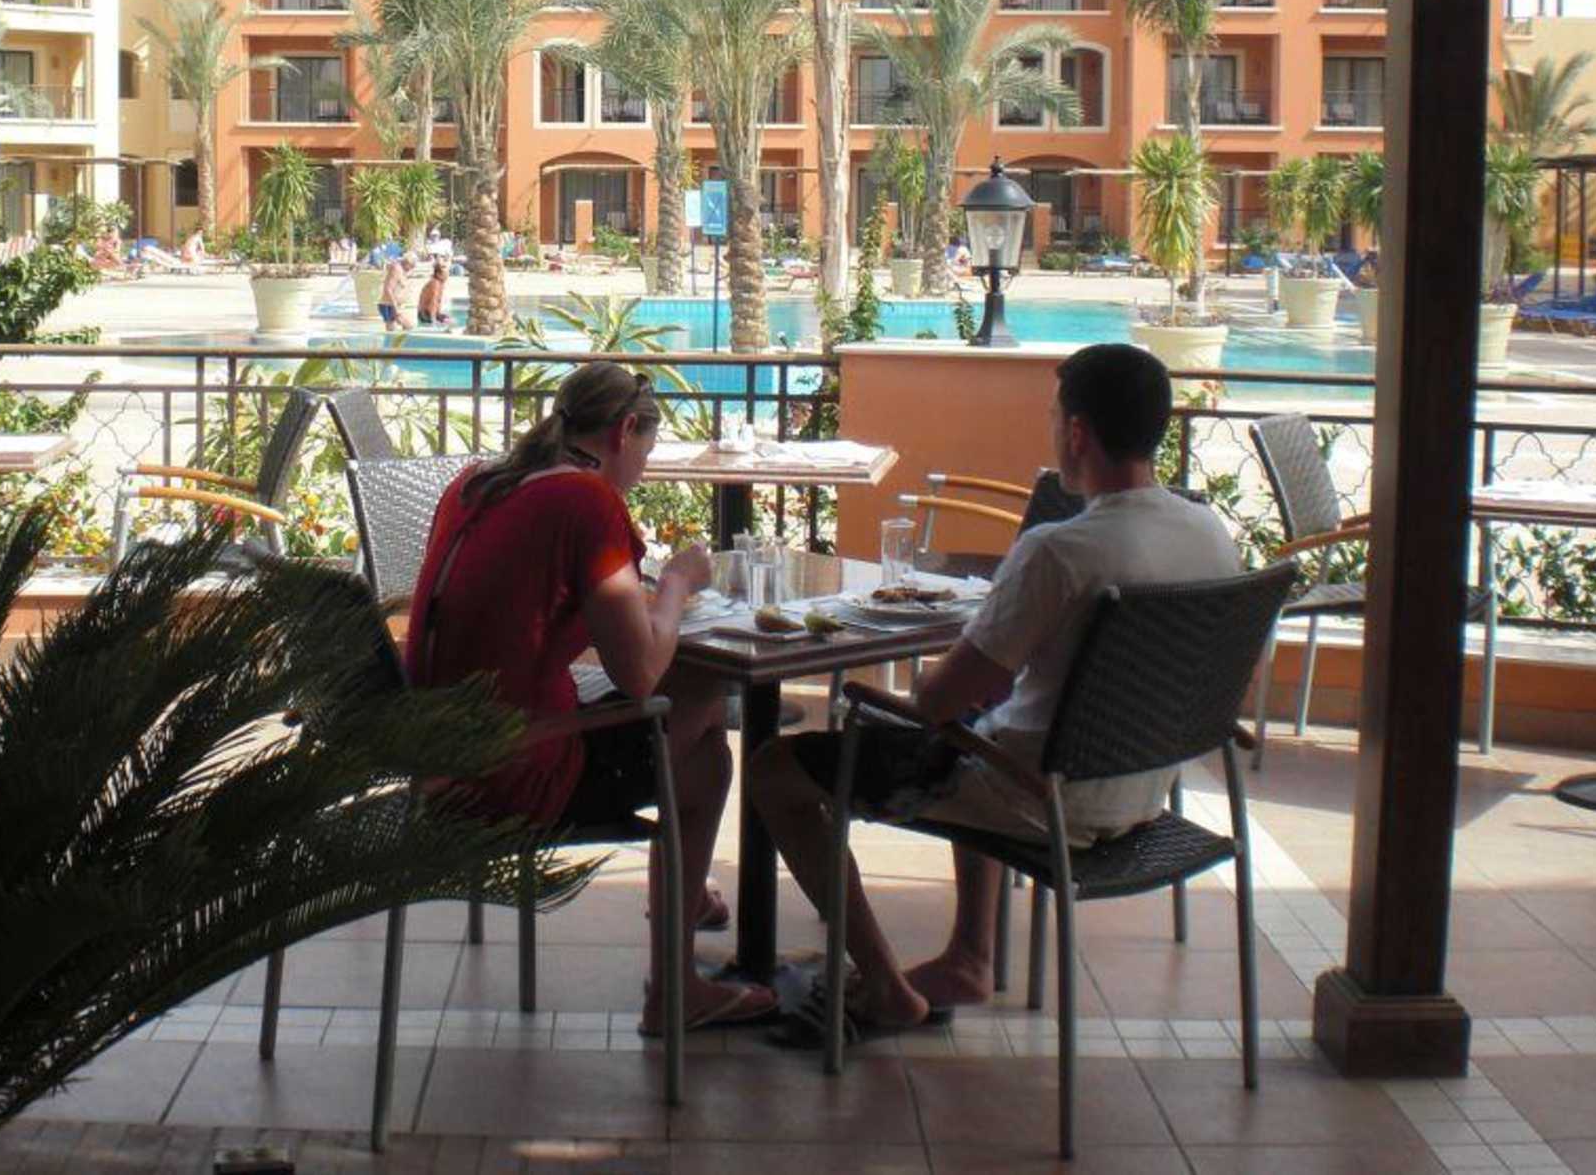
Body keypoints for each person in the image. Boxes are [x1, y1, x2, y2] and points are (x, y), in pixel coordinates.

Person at [748, 342, 1238, 1041]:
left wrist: (922, 685)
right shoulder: (1207, 531)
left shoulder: (1060, 551)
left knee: (777, 769)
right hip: (1142, 791)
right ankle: (968, 959)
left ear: (1077, 432)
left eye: (1054, 417)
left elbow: (935, 704)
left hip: (1040, 799)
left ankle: (884, 986)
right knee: (984, 726)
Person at [405, 363, 774, 1034]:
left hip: (435, 754)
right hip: (514, 771)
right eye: (646, 454)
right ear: (625, 430)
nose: (642, 471)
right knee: (702, 715)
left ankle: (685, 923)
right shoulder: (585, 501)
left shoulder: (479, 482)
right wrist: (678, 582)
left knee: (704, 756)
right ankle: (674, 982)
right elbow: (641, 675)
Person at [378, 253, 410, 330]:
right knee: (407, 327)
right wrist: (395, 308)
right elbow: (388, 289)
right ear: (407, 263)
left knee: (403, 328)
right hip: (389, 305)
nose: (411, 269)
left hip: (393, 305)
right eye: (412, 266)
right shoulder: (396, 269)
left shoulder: (401, 270)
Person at [415, 258, 449, 326]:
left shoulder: (440, 283)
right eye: (445, 274)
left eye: (447, 274)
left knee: (449, 321)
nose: (447, 276)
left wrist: (438, 315)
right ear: (438, 274)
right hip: (425, 314)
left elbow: (438, 302)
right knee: (446, 323)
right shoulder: (435, 284)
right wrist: (433, 318)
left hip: (431, 313)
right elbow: (433, 301)